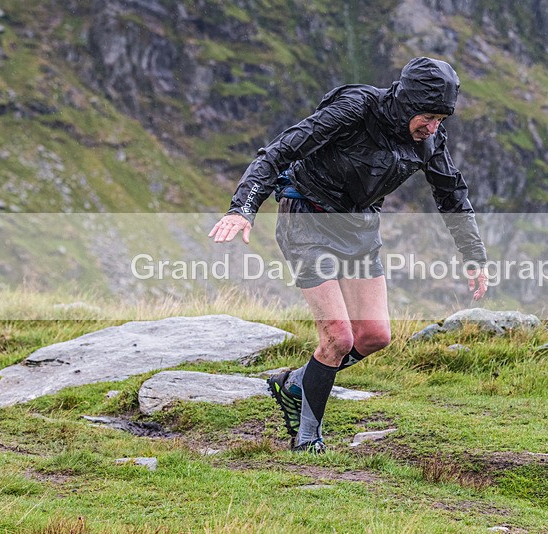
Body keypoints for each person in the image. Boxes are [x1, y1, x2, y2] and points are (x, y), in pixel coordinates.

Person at [209, 57, 488, 453]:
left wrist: (473, 256)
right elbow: (277, 153)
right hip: (307, 217)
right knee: (338, 337)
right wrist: (243, 207)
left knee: (374, 335)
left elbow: (452, 195)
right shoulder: (355, 109)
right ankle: (307, 440)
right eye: (427, 116)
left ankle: (295, 383)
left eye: (441, 119)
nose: (433, 127)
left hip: (358, 228)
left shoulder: (428, 140)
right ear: (407, 104)